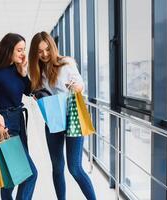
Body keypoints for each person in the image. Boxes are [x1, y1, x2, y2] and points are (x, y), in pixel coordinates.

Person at [28, 31, 96, 200]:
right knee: (57, 167)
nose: (44, 54)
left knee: (75, 168)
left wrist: (76, 86)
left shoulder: (65, 64)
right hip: (53, 119)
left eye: (47, 49)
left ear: (52, 47)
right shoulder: (35, 72)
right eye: (39, 51)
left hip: (72, 117)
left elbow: (80, 83)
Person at [0, 33, 37, 200]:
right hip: (5, 124)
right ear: (8, 50)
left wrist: (24, 73)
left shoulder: (18, 69)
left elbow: (30, 91)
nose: (23, 53)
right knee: (30, 174)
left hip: (18, 121)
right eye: (19, 50)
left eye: (24, 50)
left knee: (10, 177)